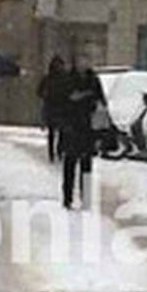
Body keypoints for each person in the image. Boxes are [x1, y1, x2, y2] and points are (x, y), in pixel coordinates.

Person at [59, 65, 109, 209]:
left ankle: (85, 197)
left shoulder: (93, 80)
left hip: (86, 128)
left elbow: (102, 104)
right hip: (72, 127)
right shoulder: (68, 80)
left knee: (84, 165)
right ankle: (68, 197)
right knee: (71, 164)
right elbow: (60, 101)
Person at [37, 55, 69, 163]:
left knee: (59, 132)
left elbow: (39, 92)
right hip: (55, 107)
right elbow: (39, 91)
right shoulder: (50, 78)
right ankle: (55, 152)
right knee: (56, 132)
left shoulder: (52, 78)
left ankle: (57, 151)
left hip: (58, 107)